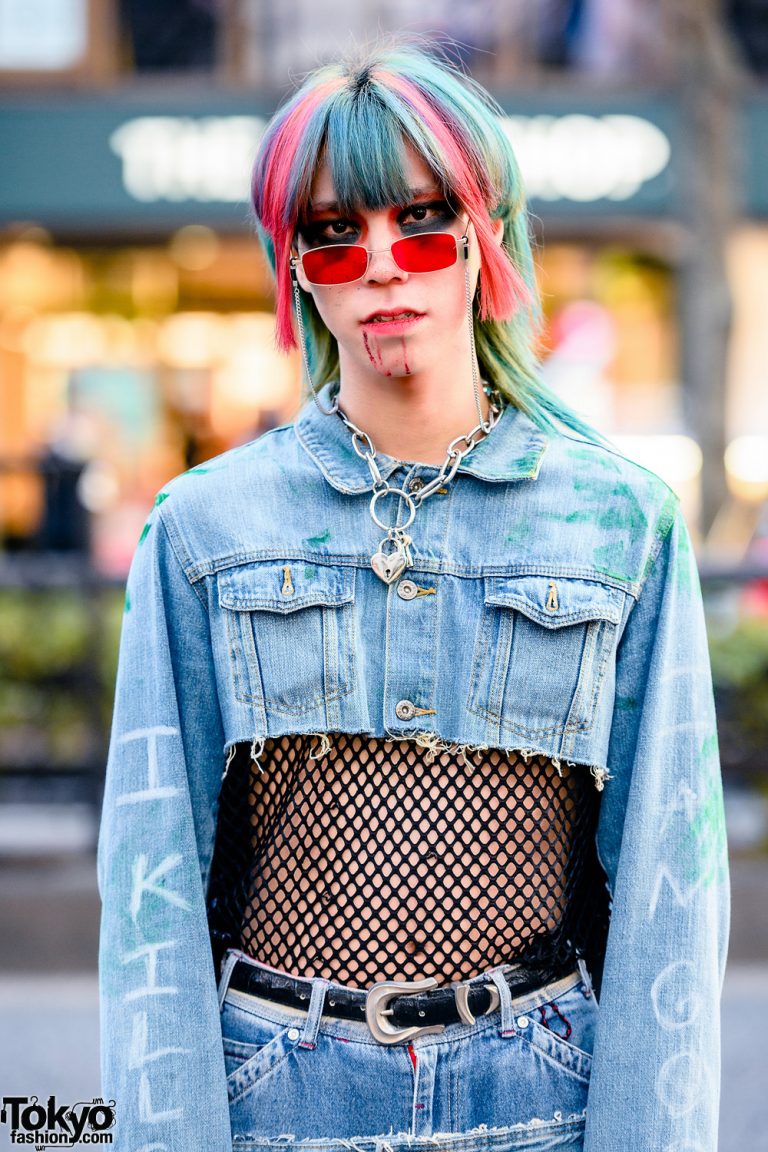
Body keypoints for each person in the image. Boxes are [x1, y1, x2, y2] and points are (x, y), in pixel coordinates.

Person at [97, 39, 730, 1152]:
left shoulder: (622, 523)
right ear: (296, 269)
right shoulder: (202, 528)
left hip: (541, 1088)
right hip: (274, 1095)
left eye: (423, 222)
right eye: (334, 234)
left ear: (486, 238)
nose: (383, 264)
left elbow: (670, 895)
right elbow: (151, 893)